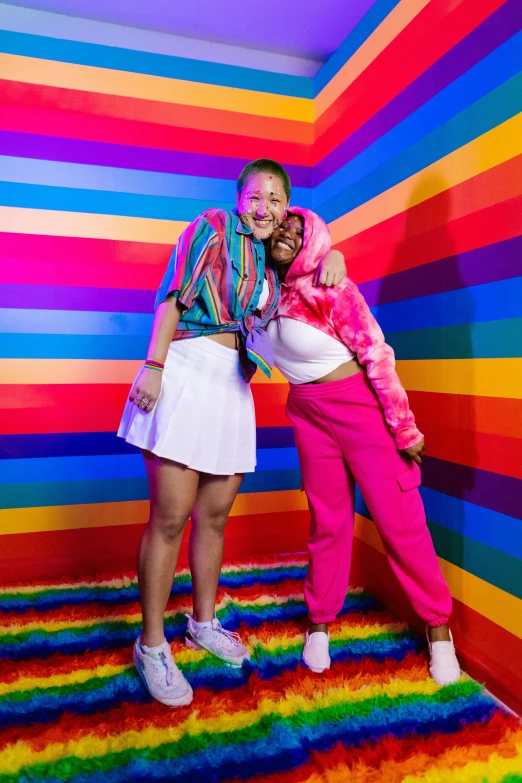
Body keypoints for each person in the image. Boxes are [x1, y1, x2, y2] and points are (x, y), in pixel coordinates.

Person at [117, 161, 345, 707]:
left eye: (275, 198)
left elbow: (315, 263)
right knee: (170, 518)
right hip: (187, 369)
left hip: (233, 388)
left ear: (287, 205)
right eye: (254, 196)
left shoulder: (275, 265)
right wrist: (154, 365)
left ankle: (201, 622)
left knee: (214, 517)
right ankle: (150, 645)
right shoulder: (214, 226)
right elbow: (174, 293)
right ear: (238, 199)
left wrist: (334, 252)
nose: (263, 207)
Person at [266, 207, 461, 686]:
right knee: (327, 521)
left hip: (360, 410)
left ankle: (439, 630)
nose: (287, 235)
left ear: (311, 239)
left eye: (299, 229)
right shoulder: (262, 294)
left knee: (400, 522)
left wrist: (405, 428)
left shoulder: (333, 286)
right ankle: (319, 623)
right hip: (309, 415)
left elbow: (376, 353)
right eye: (281, 228)